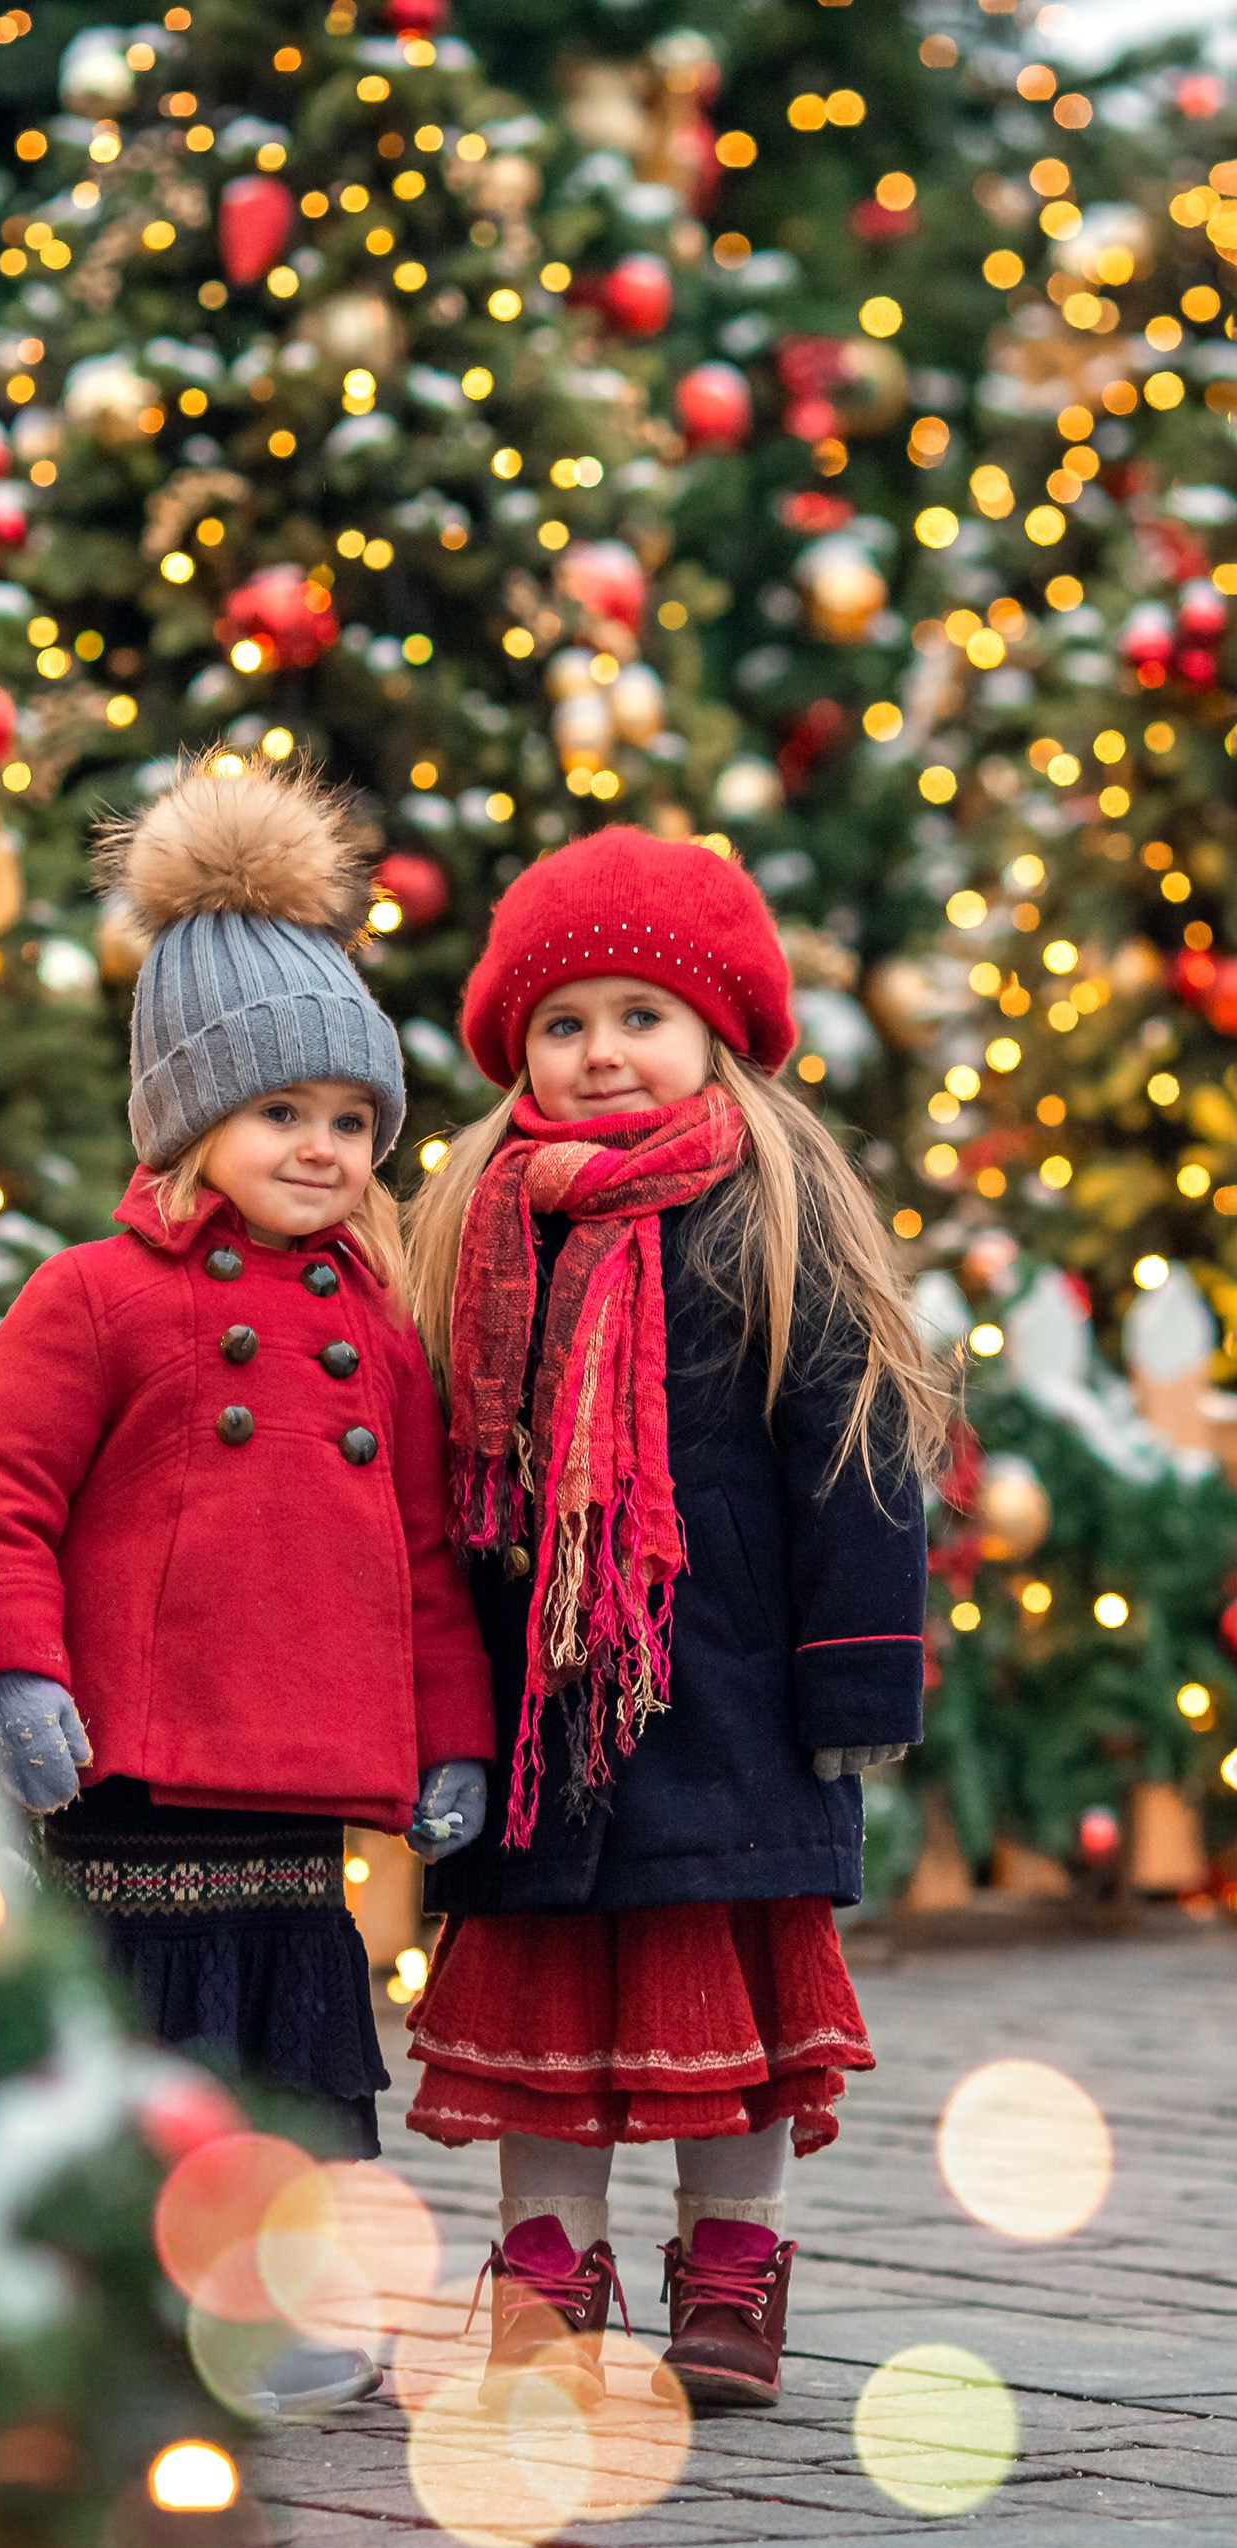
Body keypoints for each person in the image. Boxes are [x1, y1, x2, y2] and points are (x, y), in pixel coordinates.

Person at [0, 755, 493, 2417]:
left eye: (348, 1123)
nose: (321, 1151)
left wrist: (446, 1739)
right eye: (281, 1115)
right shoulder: (98, 1297)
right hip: (137, 1775)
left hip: (301, 1788)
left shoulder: (379, 1327)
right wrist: (24, 1673)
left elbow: (423, 1561)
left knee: (295, 2055)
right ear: (193, 1119)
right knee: (146, 2052)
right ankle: (105, 2301)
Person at [399, 827, 949, 2416]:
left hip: (726, 1694)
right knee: (540, 1996)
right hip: (531, 1704)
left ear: (719, 1032)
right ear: (517, 1053)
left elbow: (858, 1451)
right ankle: (551, 2272)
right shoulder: (485, 1222)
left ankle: (732, 2265)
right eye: (564, 1025)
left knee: (733, 1996)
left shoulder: (775, 1212)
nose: (601, 1055)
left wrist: (856, 1676)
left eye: (641, 1015)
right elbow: (440, 1468)